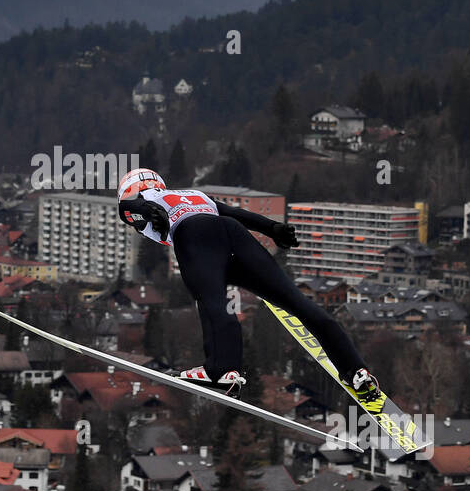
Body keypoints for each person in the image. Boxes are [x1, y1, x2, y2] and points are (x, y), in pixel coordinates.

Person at [116, 167, 378, 398]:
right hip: (234, 236)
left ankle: (222, 370)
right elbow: (236, 213)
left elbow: (128, 208)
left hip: (196, 237)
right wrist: (273, 228)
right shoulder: (195, 194)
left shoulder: (145, 198)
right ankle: (356, 371)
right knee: (299, 304)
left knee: (212, 304)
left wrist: (147, 209)